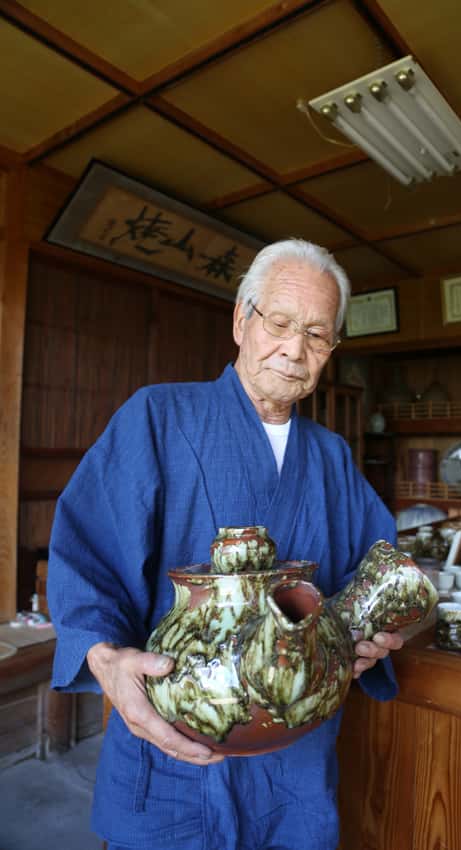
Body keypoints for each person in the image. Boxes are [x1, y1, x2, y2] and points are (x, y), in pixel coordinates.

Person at [47, 238, 403, 850]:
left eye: (318, 336)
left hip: (294, 761)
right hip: (171, 756)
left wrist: (369, 633)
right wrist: (105, 660)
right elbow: (88, 554)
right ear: (242, 319)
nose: (295, 350)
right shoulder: (157, 417)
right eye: (281, 323)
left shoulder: (332, 458)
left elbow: (376, 570)